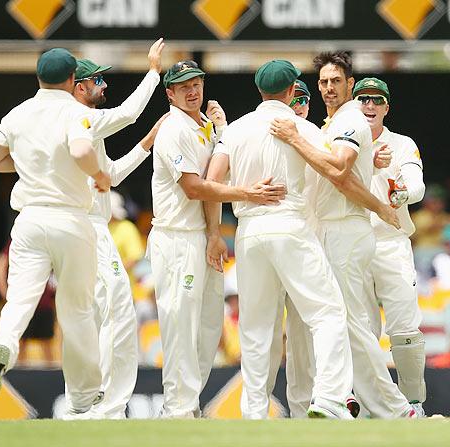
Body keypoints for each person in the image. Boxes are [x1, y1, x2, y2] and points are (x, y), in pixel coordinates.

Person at [205, 59, 356, 419]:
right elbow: (336, 168)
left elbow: (211, 181)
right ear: (292, 92)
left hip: (249, 232)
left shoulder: (237, 130)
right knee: (328, 313)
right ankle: (331, 397)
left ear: (260, 90)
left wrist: (219, 226)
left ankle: (254, 414)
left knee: (256, 329)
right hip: (290, 225)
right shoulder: (301, 127)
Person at [270, 52, 415, 419]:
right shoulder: (331, 122)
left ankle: (394, 409)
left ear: (350, 84)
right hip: (330, 230)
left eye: (335, 81)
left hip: (346, 231)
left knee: (353, 324)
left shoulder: (351, 118)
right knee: (345, 323)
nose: (328, 88)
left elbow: (338, 169)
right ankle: (348, 399)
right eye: (323, 82)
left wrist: (293, 137)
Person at [148, 60, 285, 418]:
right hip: (175, 238)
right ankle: (177, 408)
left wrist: (213, 234)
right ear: (170, 94)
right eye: (183, 87)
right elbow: (194, 188)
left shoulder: (204, 127)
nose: (192, 91)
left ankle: (187, 403)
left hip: (202, 238)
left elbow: (215, 174)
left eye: (196, 84)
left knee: (209, 325)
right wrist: (247, 194)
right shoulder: (173, 130)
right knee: (180, 323)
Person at [0, 48, 110, 419]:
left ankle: (2, 345)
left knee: (19, 300)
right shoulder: (76, 112)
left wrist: (25, 168)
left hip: (30, 220)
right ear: (73, 80)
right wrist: (98, 174)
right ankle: (84, 396)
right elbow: (82, 149)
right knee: (77, 310)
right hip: (70, 219)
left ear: (38, 78)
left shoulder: (18, 113)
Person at [71, 39, 165, 419]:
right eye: (97, 81)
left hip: (85, 227)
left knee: (93, 317)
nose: (104, 87)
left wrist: (147, 142)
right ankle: (105, 408)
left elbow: (109, 177)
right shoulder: (81, 119)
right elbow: (127, 113)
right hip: (88, 229)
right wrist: (154, 73)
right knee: (115, 313)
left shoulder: (85, 130)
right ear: (79, 87)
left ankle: (88, 405)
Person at [353, 77, 428, 416]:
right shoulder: (340, 142)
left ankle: (414, 402)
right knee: (362, 330)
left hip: (391, 241)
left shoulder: (401, 143)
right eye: (363, 99)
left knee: (405, 329)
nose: (369, 106)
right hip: (353, 242)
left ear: (386, 107)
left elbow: (416, 183)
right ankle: (367, 404)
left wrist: (403, 194)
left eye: (376, 101)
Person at [0, 239, 56, 364]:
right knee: (20, 344)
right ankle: (19, 377)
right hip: (25, 303)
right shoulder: (20, 238)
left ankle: (51, 380)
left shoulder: (49, 241)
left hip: (44, 304)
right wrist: (5, 293)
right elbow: (0, 265)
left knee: (47, 346)